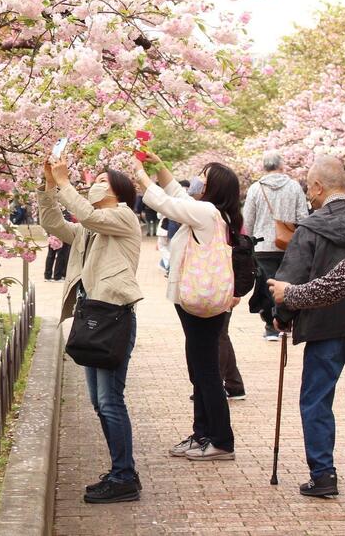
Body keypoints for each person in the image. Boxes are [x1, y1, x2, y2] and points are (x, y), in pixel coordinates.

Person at [268, 189, 345, 536]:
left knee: (318, 399)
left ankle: (323, 473)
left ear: (317, 188)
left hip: (334, 333)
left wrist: (283, 308)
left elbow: (307, 283)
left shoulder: (315, 229)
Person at [38, 158, 143, 504]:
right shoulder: (91, 229)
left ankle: (124, 476)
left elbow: (89, 214)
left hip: (114, 318)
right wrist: (48, 187)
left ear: (118, 190)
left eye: (102, 180)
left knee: (111, 401)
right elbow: (52, 222)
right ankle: (120, 472)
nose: (94, 183)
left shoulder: (123, 217)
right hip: (94, 318)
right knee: (100, 402)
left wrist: (65, 182)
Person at [133, 152, 240, 461]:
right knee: (199, 369)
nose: (197, 179)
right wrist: (159, 166)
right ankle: (203, 433)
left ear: (213, 188)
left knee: (205, 371)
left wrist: (141, 175)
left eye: (203, 176)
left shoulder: (207, 212)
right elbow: (178, 196)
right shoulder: (207, 210)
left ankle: (220, 439)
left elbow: (167, 204)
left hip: (201, 302)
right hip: (197, 301)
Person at [243, 150, 309, 340]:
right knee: (288, 283)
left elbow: (248, 221)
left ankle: (271, 327)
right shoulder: (294, 187)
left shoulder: (256, 188)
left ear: (264, 167)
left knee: (266, 285)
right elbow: (303, 218)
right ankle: (285, 321)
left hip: (263, 247)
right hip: (289, 245)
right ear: (281, 166)